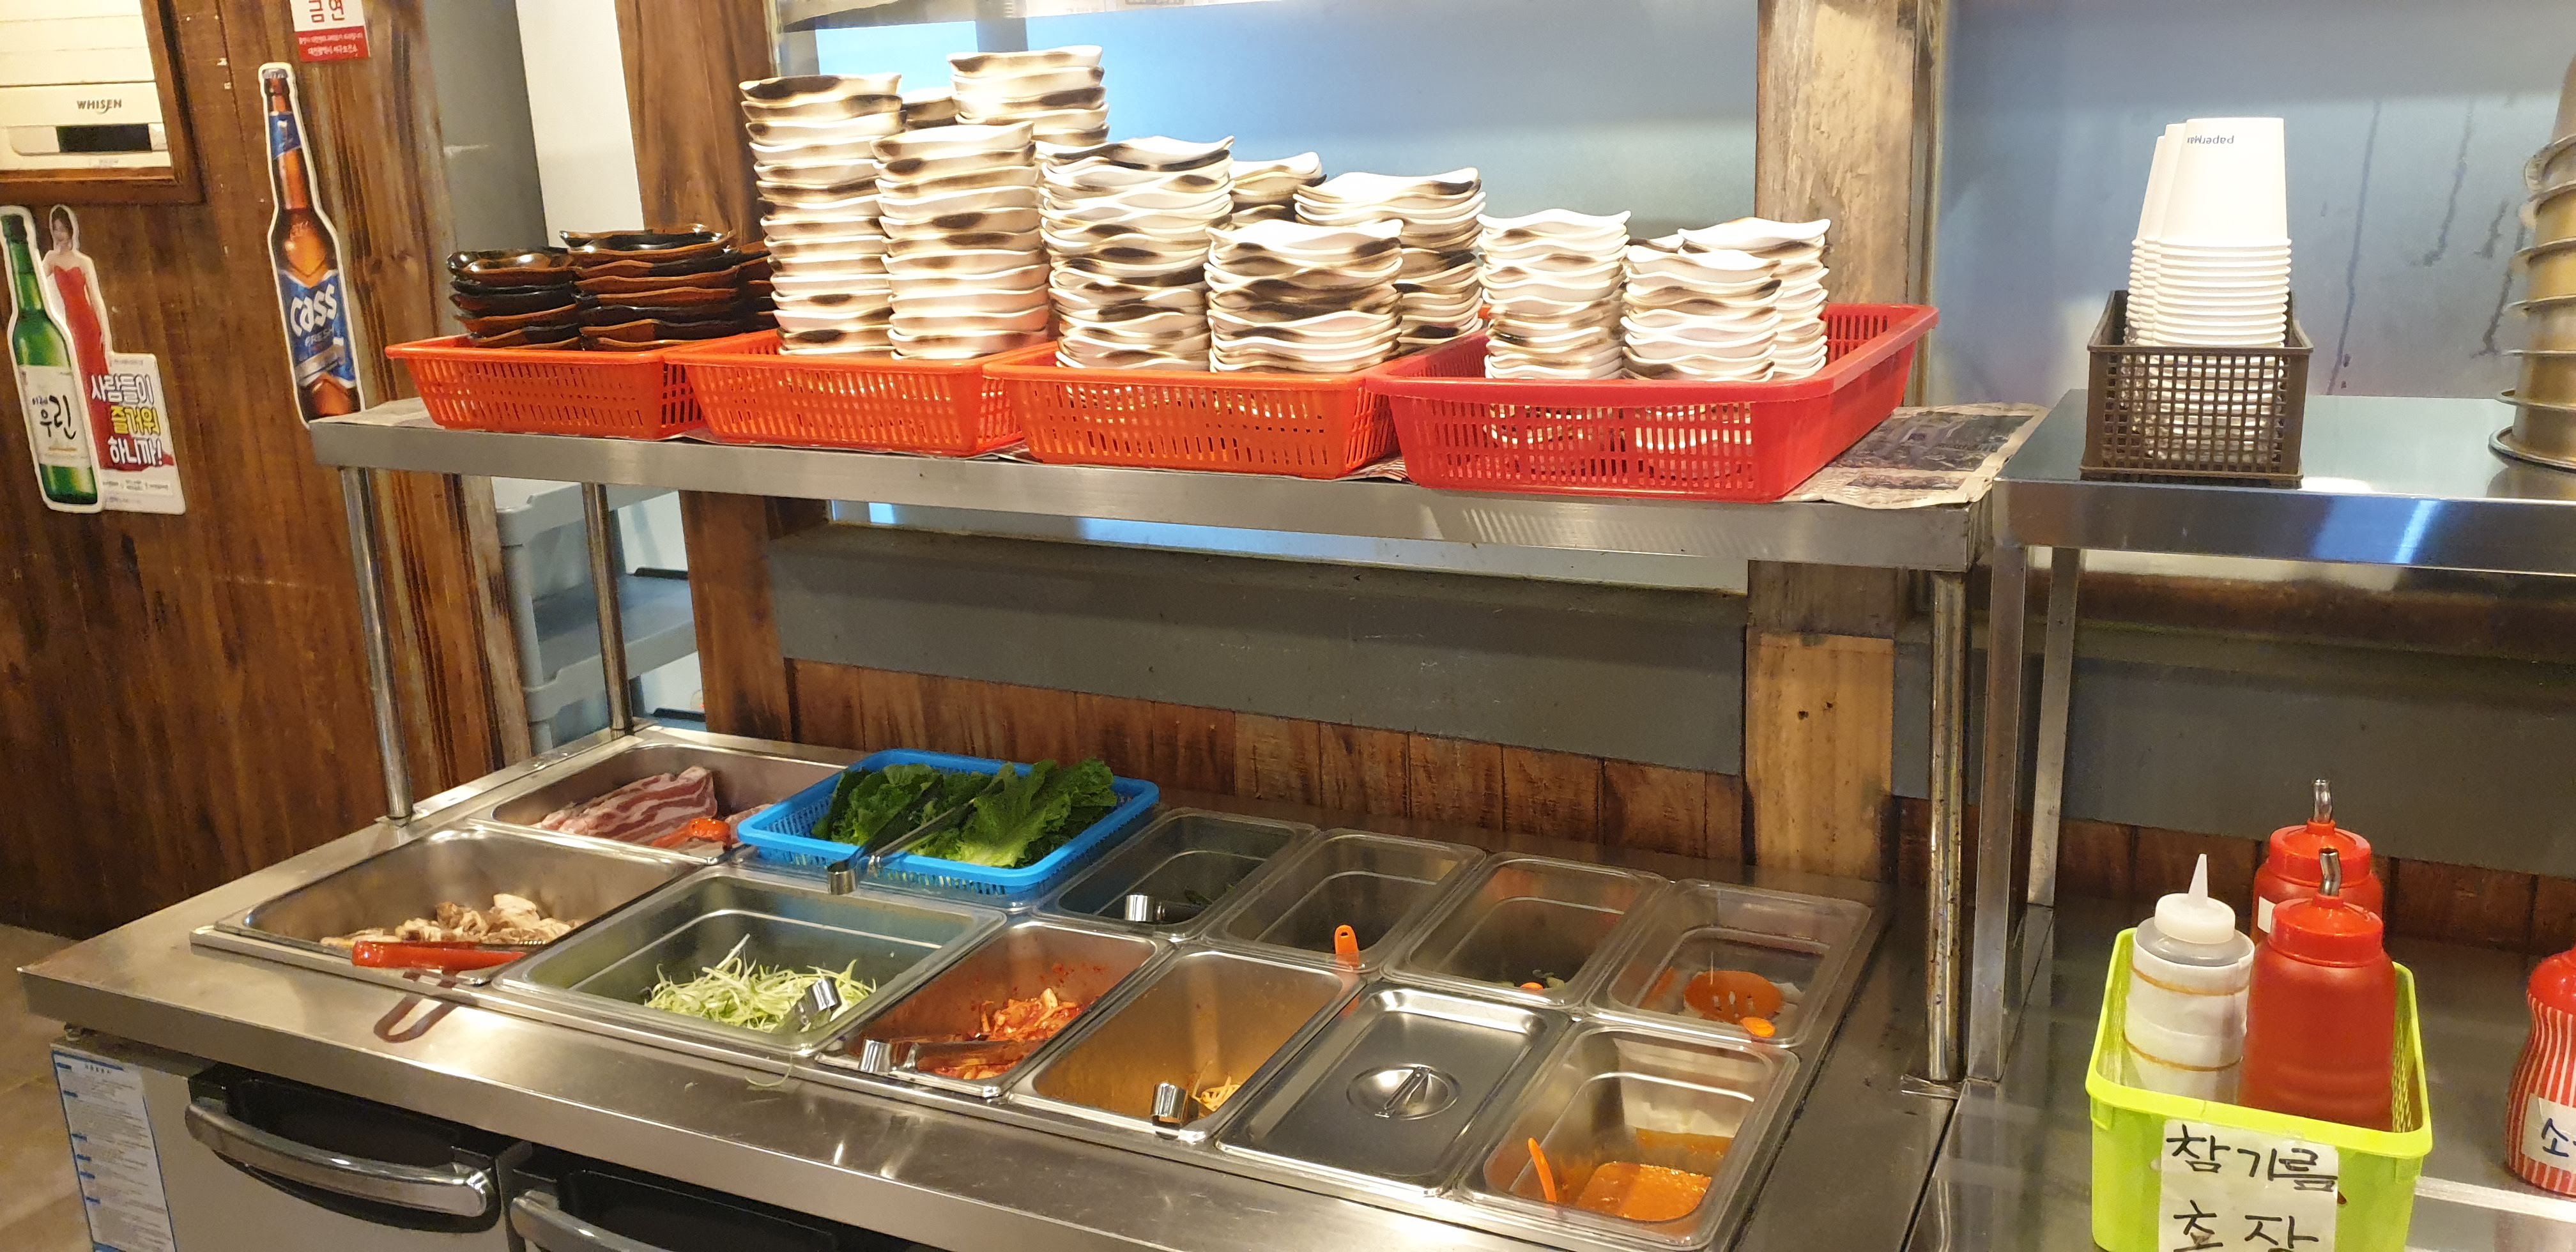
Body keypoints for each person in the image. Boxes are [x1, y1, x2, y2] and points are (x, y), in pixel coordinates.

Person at [40, 206, 128, 472]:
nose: (60, 234)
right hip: (70, 327)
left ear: (71, 230)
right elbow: (38, 286)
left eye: (63, 229)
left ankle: (110, 447)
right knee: (80, 384)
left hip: (89, 326)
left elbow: (97, 300)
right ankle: (92, 447)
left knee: (97, 382)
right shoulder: (50, 259)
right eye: (55, 229)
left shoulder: (83, 261)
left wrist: (106, 335)